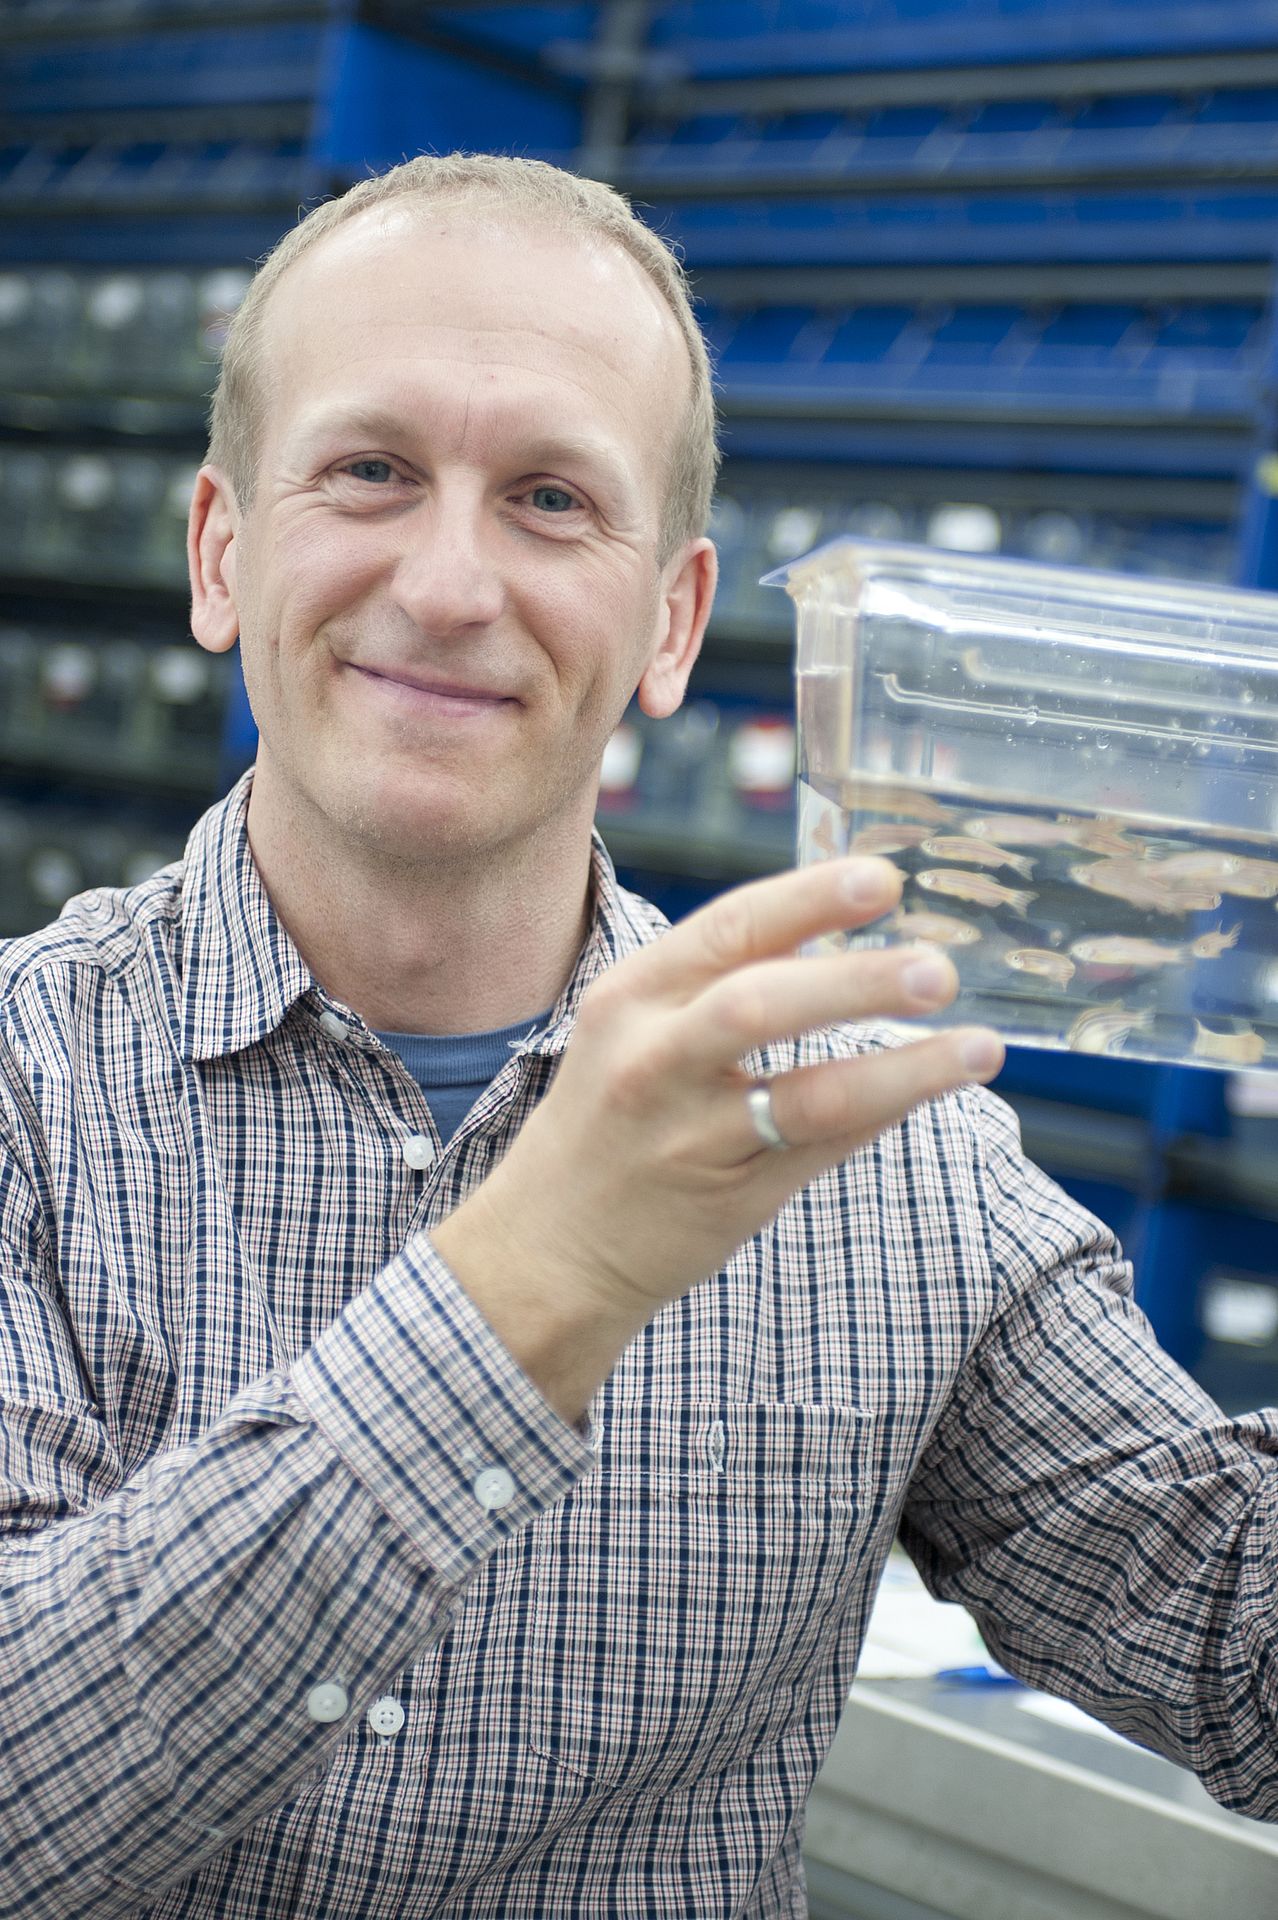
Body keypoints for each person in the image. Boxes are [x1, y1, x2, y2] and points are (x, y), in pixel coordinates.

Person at [0, 152, 1275, 1920]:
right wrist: (539, 1279)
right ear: (221, 550)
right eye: (370, 471)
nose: (449, 584)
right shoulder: (21, 1091)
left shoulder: (878, 1153)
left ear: (672, 622)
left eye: (545, 499)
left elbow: (1235, 1643)